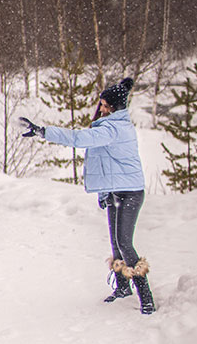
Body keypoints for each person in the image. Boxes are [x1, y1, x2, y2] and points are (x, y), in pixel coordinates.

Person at [20, 77, 155, 315]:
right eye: (101, 104)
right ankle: (123, 289)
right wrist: (104, 192)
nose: (101, 108)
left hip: (130, 192)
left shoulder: (113, 129)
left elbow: (78, 139)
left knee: (125, 242)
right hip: (115, 190)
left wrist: (43, 131)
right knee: (115, 243)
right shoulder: (109, 125)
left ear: (115, 107)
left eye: (105, 105)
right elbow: (105, 163)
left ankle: (146, 298)